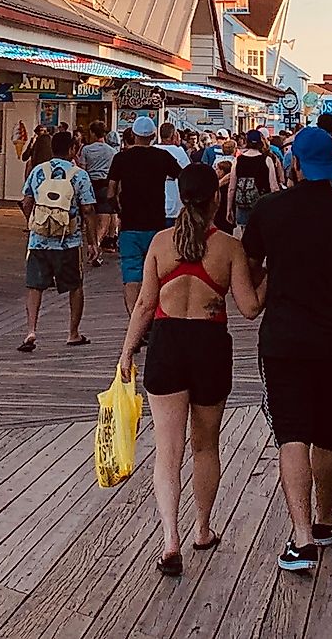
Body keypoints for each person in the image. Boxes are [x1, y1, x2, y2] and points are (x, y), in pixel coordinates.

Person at [241, 125, 332, 574]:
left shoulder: (268, 211)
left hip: (282, 337)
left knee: (292, 432)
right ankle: (323, 521)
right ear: (331, 163)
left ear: (294, 163)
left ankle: (300, 540)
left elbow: (253, 268)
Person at [118, 162, 259, 576]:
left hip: (166, 344)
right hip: (209, 345)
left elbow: (145, 305)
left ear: (180, 197)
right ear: (215, 199)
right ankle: (202, 528)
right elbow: (249, 308)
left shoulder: (161, 243)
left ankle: (169, 541)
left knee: (168, 450)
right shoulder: (229, 247)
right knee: (205, 446)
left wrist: (127, 353)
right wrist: (270, 279)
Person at [18, 129, 96, 352]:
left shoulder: (38, 171)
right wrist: (92, 242)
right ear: (72, 149)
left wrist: (33, 223)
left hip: (38, 240)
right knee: (75, 286)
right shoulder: (79, 175)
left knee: (34, 286)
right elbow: (88, 209)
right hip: (68, 241)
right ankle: (73, 332)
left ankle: (31, 330)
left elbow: (26, 202)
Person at [107, 122, 183, 313]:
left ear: (133, 134)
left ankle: (135, 317)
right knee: (157, 271)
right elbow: (182, 176)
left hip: (130, 225)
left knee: (131, 272)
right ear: (153, 135)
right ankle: (154, 315)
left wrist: (118, 211)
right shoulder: (163, 157)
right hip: (156, 224)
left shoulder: (121, 158)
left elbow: (110, 192)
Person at [77, 122, 119, 267]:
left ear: (93, 133)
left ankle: (92, 245)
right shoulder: (112, 152)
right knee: (104, 221)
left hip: (89, 185)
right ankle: (97, 245)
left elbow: (82, 169)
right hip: (105, 186)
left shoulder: (86, 150)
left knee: (90, 218)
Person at [226, 127, 278, 232]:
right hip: (262, 205)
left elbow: (232, 187)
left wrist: (229, 208)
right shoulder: (267, 160)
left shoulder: (238, 160)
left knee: (244, 234)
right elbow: (274, 187)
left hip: (242, 205)